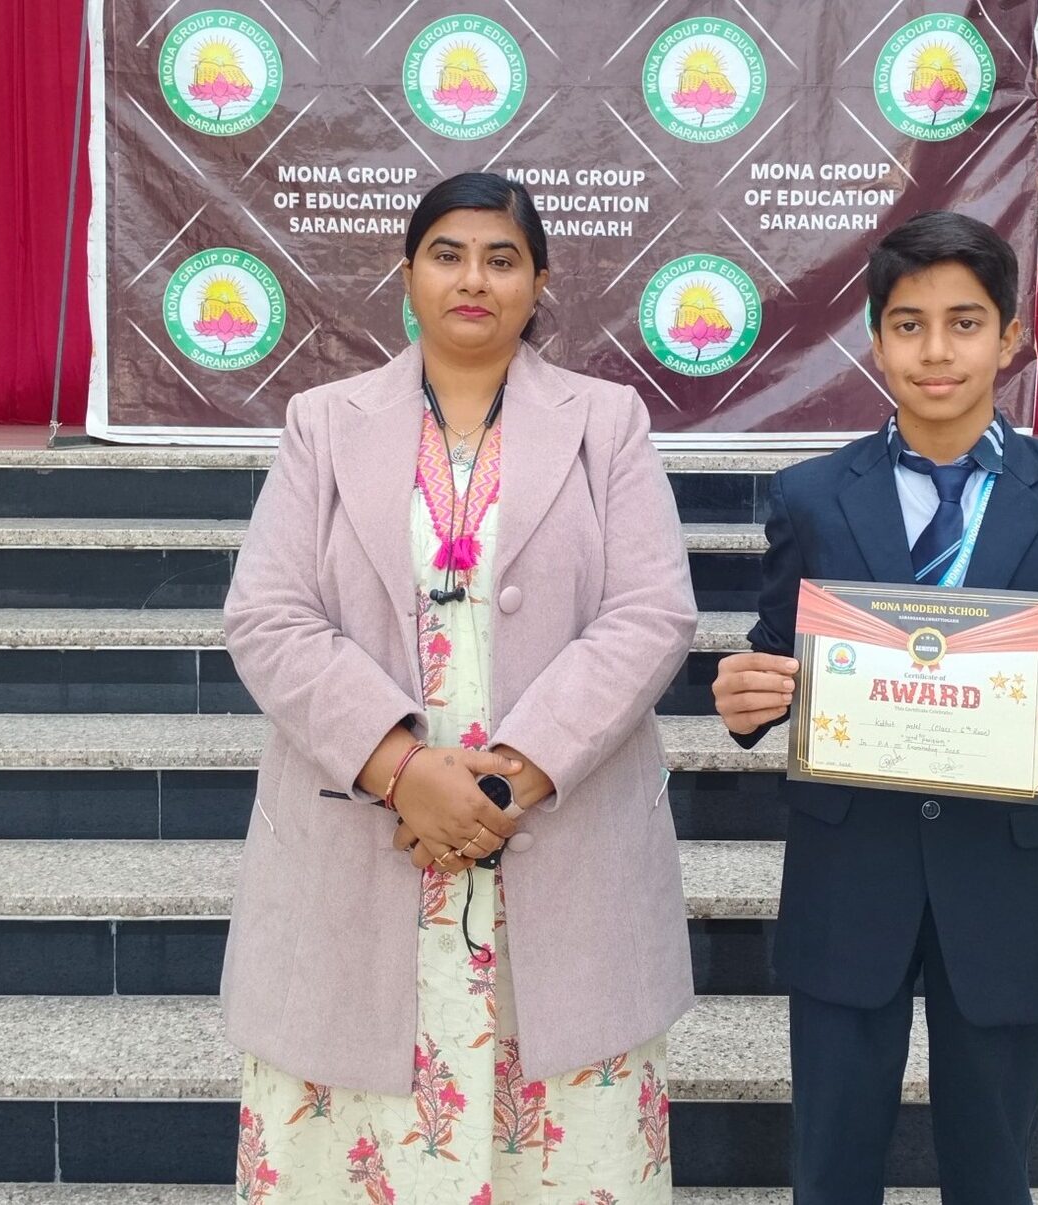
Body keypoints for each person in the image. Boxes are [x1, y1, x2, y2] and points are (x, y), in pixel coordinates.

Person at [220, 171, 698, 1204]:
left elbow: (652, 613)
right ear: (407, 274)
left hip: (552, 835)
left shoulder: (607, 422)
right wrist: (402, 770)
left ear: (540, 281)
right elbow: (267, 616)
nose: (472, 279)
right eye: (447, 254)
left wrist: (504, 781)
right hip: (365, 839)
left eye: (501, 258)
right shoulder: (323, 422)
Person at [711, 210, 1038, 1204]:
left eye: (964, 322)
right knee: (830, 1166)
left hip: (1007, 877)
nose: (936, 350)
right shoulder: (811, 495)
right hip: (850, 871)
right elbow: (775, 652)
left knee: (992, 1168)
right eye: (908, 325)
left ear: (1010, 337)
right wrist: (745, 695)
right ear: (876, 341)